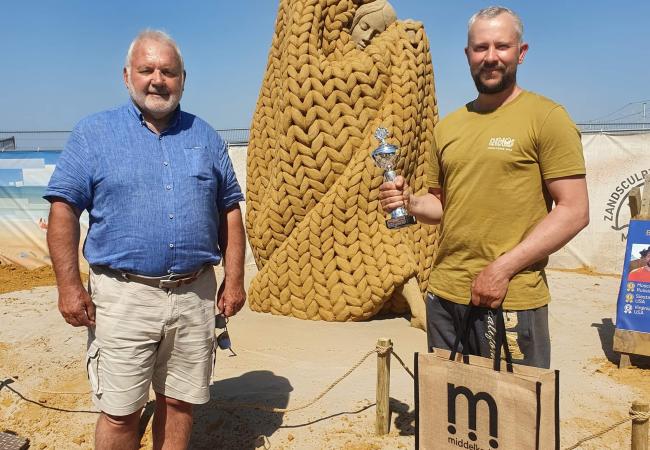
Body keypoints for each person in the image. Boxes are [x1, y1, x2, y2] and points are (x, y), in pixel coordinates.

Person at [44, 30, 246, 450]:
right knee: (120, 411)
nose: (158, 79)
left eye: (168, 71)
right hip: (123, 297)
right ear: (126, 76)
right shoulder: (93, 134)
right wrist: (68, 286)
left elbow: (229, 208)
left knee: (179, 403)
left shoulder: (206, 137)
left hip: (194, 295)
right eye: (147, 70)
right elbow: (63, 208)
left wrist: (235, 278)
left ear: (183, 79)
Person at [379, 6, 589, 368]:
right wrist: (410, 202)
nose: (491, 57)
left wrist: (501, 270)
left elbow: (574, 211)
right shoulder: (448, 127)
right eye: (480, 48)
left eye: (501, 46)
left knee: (515, 415)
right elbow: (441, 205)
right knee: (450, 413)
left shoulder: (547, 117)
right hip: (445, 295)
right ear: (467, 55)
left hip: (511, 297)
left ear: (520, 52)